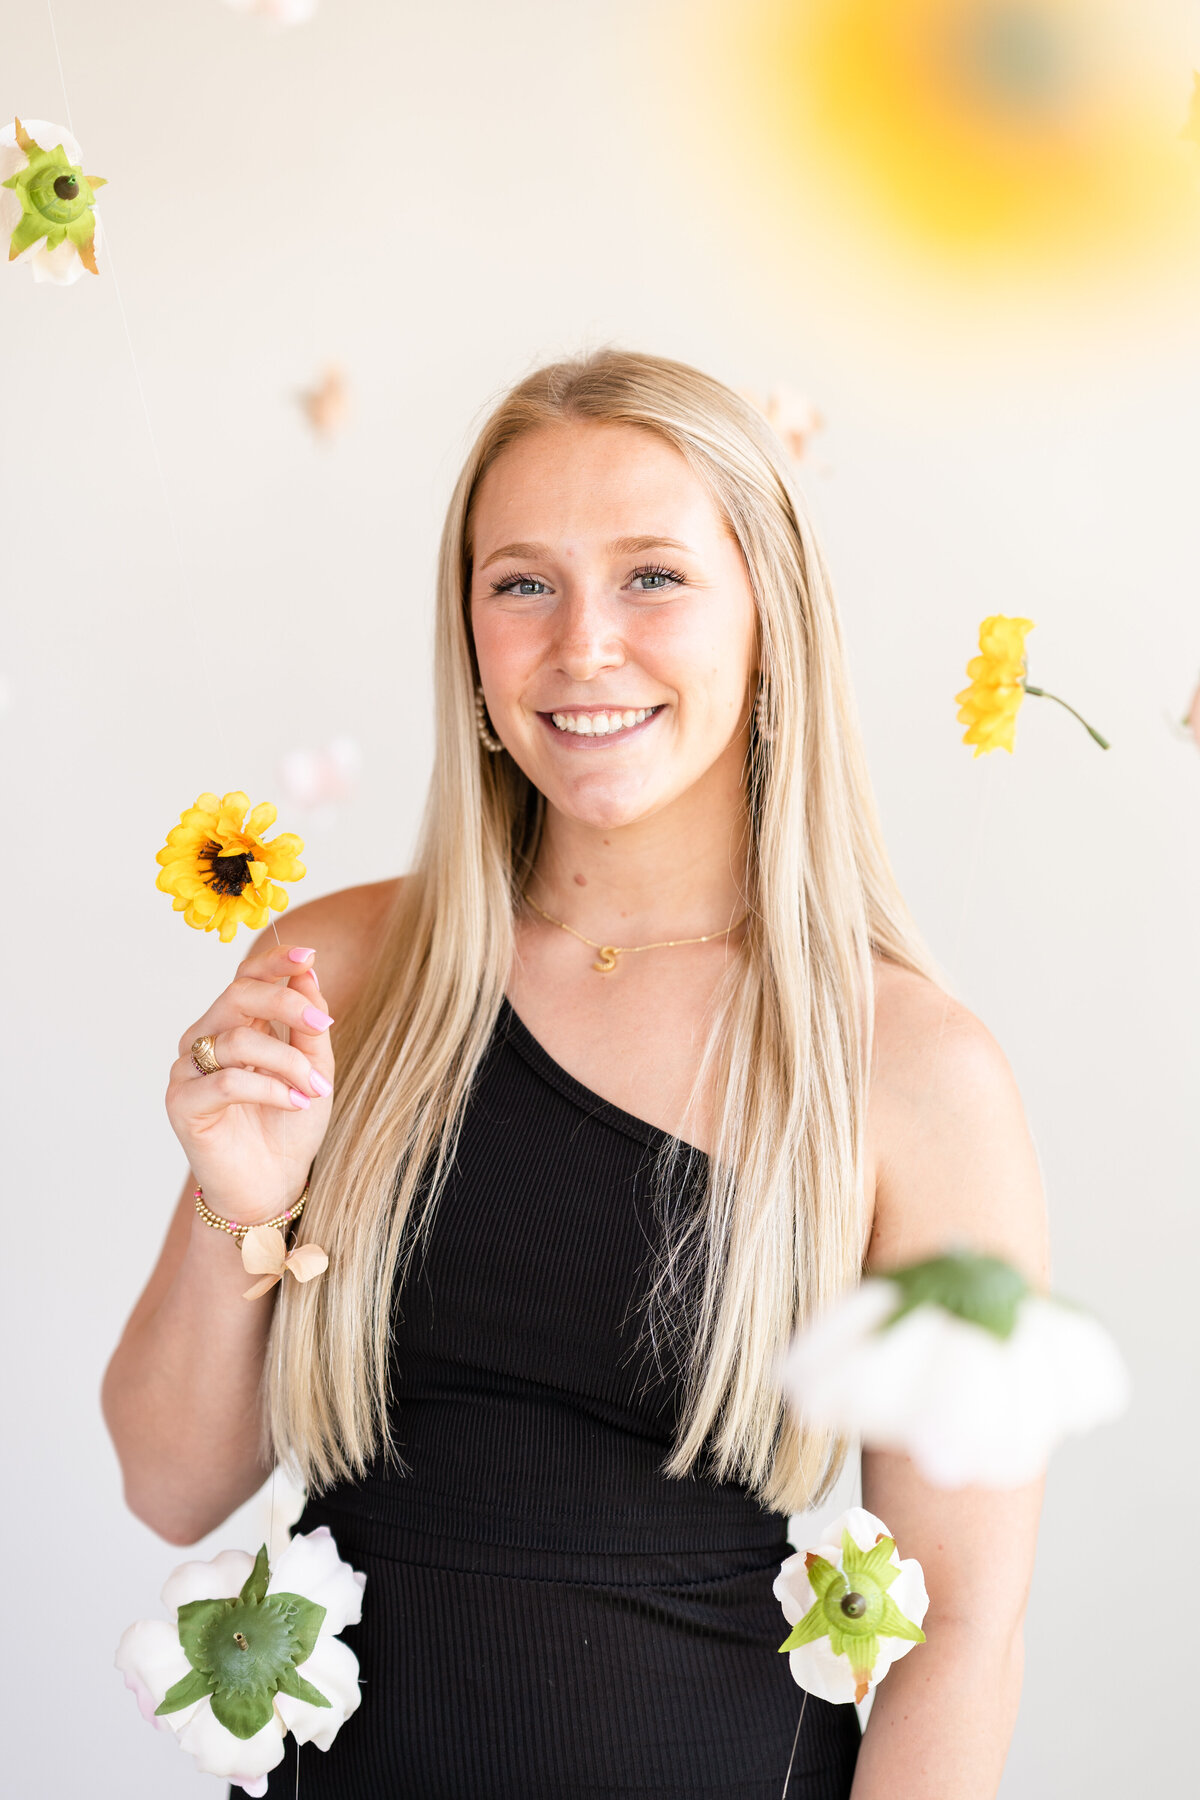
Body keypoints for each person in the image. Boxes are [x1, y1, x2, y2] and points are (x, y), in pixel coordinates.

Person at [103, 350, 1048, 1799]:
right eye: (522, 584)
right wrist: (246, 1206)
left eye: (654, 577)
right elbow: (170, 1484)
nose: (583, 646)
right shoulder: (338, 975)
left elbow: (963, 1628)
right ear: (469, 637)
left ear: (769, 625)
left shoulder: (913, 1069)